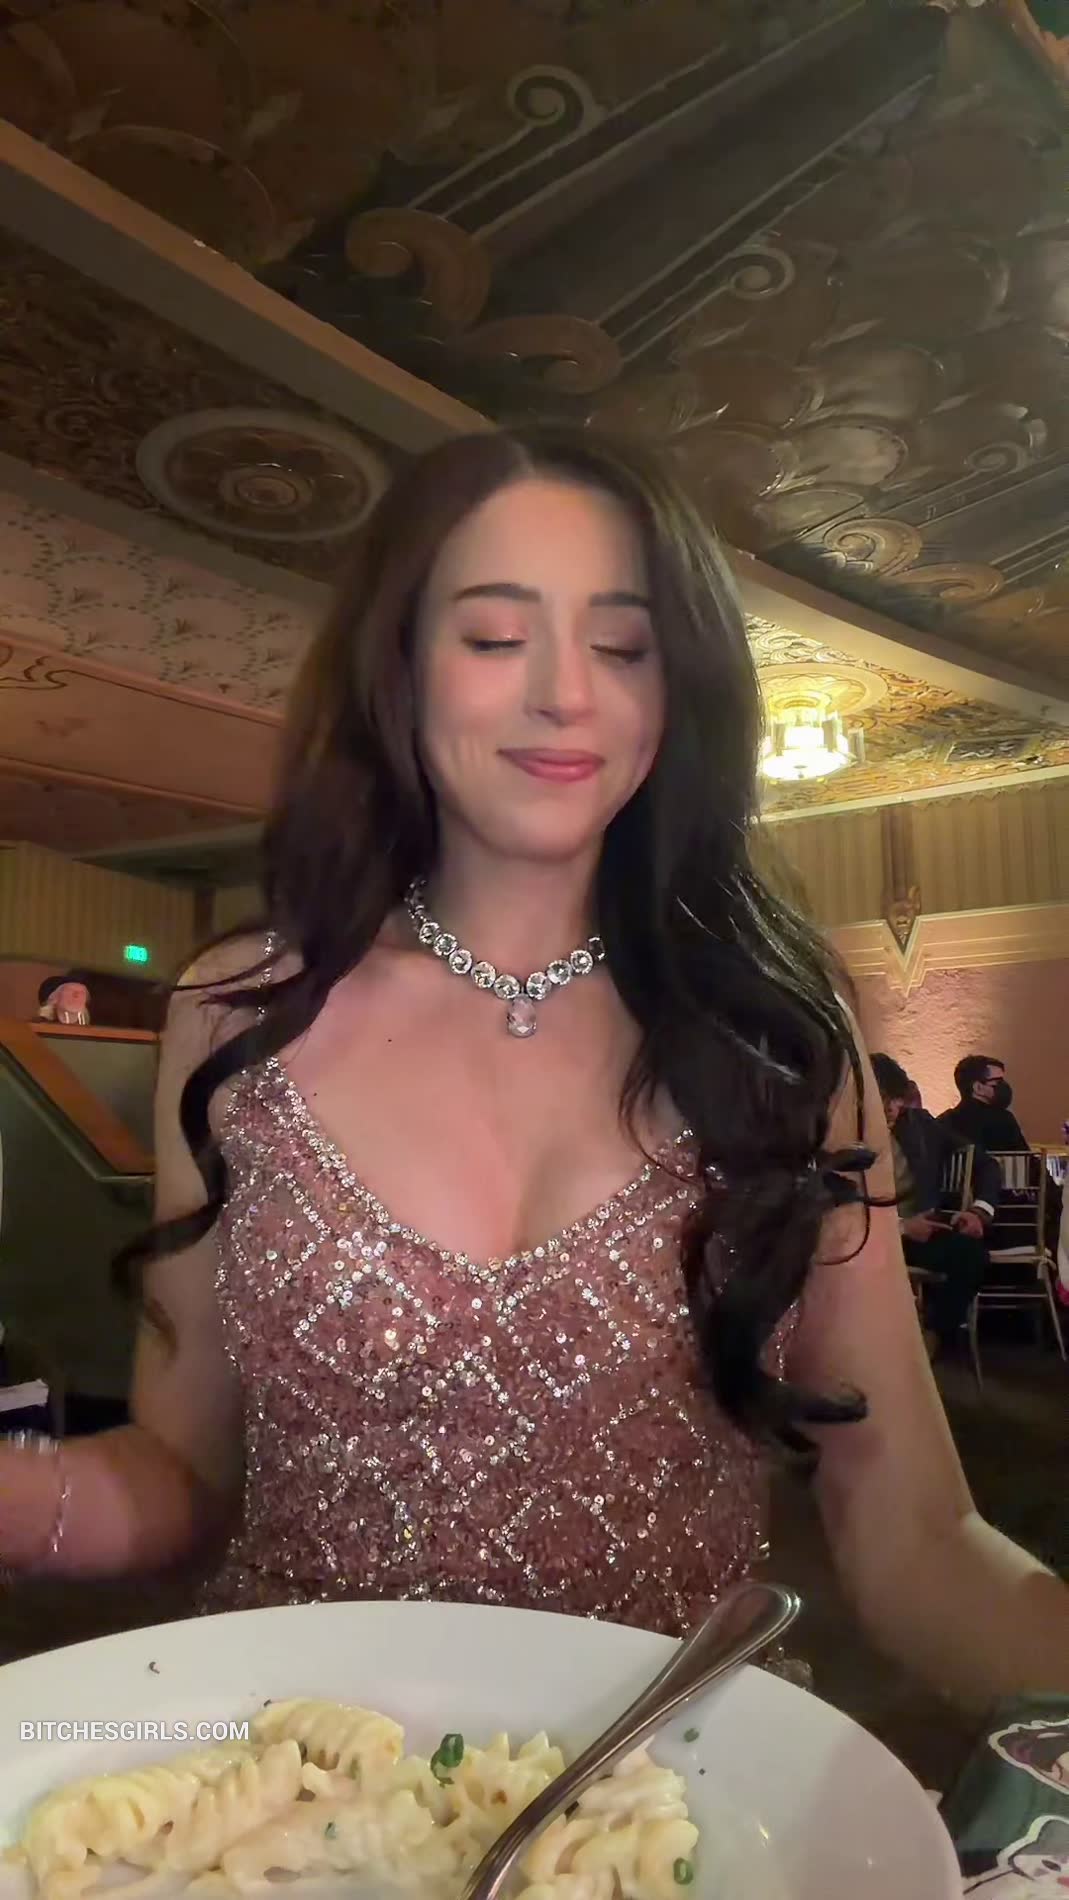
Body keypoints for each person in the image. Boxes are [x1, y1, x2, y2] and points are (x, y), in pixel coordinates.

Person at [2, 427, 1069, 1715]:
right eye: (496, 636)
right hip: (297, 1780)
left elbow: (914, 1536)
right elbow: (182, 1472)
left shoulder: (781, 1039)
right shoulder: (239, 1013)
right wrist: (22, 1498)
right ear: (400, 664)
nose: (566, 693)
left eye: (622, 646)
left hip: (664, 1791)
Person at [871, 1054, 996, 1360]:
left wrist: (978, 1211)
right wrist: (901, 1226)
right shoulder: (842, 1132)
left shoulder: (920, 1124)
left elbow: (986, 1164)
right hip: (864, 1237)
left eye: (896, 1099)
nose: (891, 1108)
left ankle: (932, 1336)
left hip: (918, 1234)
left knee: (971, 1255)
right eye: (882, 1098)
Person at [940, 1055, 1030, 1154]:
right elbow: (1027, 1160)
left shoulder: (944, 1121)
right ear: (978, 1088)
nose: (1003, 1086)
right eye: (998, 1081)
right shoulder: (1004, 1119)